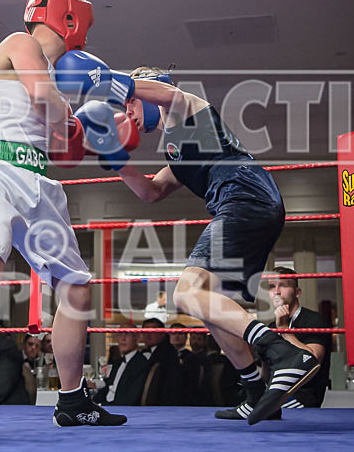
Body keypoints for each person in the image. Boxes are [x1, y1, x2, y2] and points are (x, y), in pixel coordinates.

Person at [54, 58, 319, 424]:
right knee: (212, 307)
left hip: (243, 200)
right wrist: (115, 159)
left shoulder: (186, 107)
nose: (127, 109)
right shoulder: (177, 148)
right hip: (253, 205)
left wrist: (107, 80)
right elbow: (152, 191)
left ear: (147, 91)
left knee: (185, 293)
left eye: (130, 101)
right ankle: (255, 390)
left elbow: (170, 93)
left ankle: (282, 353)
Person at [0, 0, 125, 426]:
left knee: (76, 285)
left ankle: (73, 399)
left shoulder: (56, 77)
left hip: (38, 179)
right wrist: (81, 114)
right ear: (71, 21)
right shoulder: (20, 43)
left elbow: (63, 144)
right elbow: (43, 99)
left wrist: (94, 130)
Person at [255, 267, 331, 411]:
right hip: (274, 394)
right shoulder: (272, 326)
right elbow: (266, 375)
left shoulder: (313, 320)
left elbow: (313, 360)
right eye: (272, 286)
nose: (276, 291)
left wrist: (285, 331)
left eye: (283, 285)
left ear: (297, 292)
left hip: (302, 399)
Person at [92, 330, 150, 406]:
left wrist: (102, 406)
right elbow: (108, 387)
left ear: (137, 339)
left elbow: (131, 399)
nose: (122, 338)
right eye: (120, 334)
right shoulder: (118, 362)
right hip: (107, 404)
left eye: (127, 334)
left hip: (120, 409)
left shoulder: (141, 363)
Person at [140, 318, 181, 405]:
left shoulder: (168, 353)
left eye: (153, 331)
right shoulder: (142, 353)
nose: (148, 334)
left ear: (162, 334)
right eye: (145, 331)